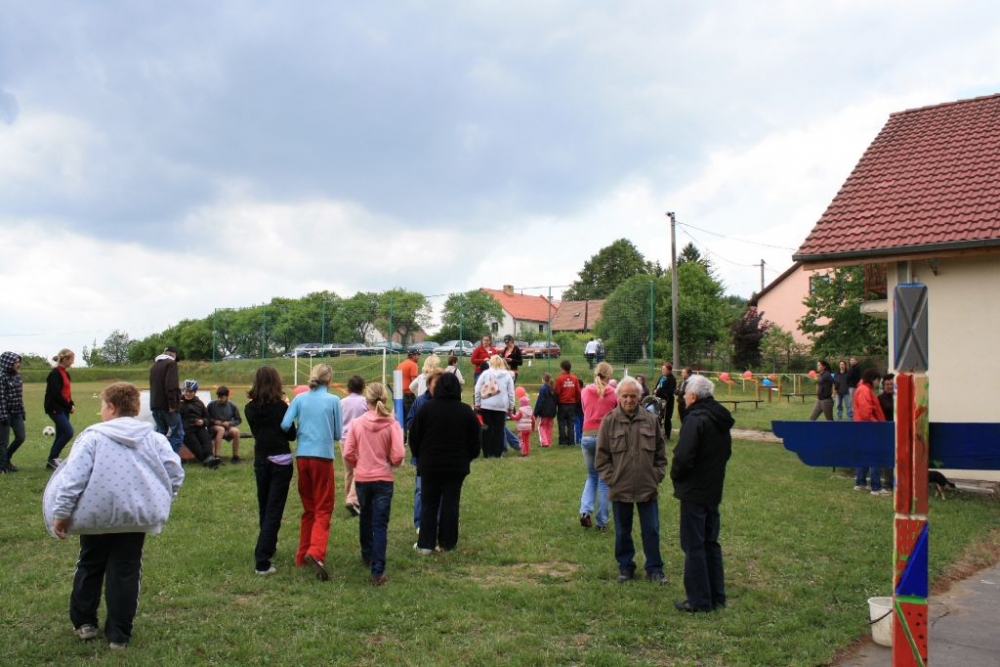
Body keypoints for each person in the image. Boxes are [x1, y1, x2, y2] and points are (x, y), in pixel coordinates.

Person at [43, 381, 184, 650]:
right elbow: (175, 472)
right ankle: (119, 634)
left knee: (90, 565)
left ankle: (84, 622)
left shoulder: (92, 438)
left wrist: (61, 513)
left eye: (102, 406)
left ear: (110, 407)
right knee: (126, 571)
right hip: (134, 517)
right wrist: (163, 496)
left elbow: (73, 479)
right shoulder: (154, 438)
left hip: (96, 517)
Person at [670, 374, 734, 613]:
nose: (684, 398)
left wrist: (677, 476)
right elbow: (726, 452)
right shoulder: (719, 418)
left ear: (694, 396)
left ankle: (698, 599)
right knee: (710, 543)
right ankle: (716, 595)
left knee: (694, 545)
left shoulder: (696, 419)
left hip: (695, 490)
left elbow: (683, 456)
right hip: (712, 487)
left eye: (685, 394)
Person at [595, 377, 667, 584]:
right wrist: (612, 479)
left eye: (633, 396)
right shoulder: (609, 421)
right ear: (618, 397)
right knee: (622, 531)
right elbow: (601, 458)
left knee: (651, 530)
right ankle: (625, 567)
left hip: (647, 486)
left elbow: (661, 455)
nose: (629, 400)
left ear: (640, 397)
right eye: (625, 396)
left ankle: (654, 569)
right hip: (620, 487)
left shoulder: (651, 420)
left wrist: (656, 476)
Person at [281, 364, 343, 581]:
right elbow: (338, 433)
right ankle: (316, 552)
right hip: (322, 457)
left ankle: (301, 555)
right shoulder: (333, 400)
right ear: (329, 380)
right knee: (324, 506)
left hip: (303, 456)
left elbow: (285, 424)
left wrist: (302, 432)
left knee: (309, 507)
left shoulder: (300, 399)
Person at [409, 372, 481, 554]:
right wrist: (468, 457)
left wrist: (419, 456)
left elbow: (414, 437)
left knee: (429, 503)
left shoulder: (425, 409)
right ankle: (447, 543)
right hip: (456, 466)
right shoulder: (466, 411)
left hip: (429, 464)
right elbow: (475, 440)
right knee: (451, 502)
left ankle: (426, 544)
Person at [342, 382, 405, 586]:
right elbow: (399, 453)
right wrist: (391, 463)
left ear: (366, 401)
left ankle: (367, 554)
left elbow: (348, 452)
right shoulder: (392, 424)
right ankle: (377, 570)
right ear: (384, 399)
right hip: (383, 478)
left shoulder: (357, 424)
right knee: (380, 524)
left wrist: (358, 464)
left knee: (365, 517)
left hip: (363, 478)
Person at [244, 366, 297, 576]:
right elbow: (291, 434)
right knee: (274, 509)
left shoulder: (249, 408)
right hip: (280, 462)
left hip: (261, 460)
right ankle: (262, 560)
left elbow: (257, 432)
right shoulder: (281, 408)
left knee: (265, 506)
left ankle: (269, 545)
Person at [579, 362, 617, 532]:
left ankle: (585, 511)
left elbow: (584, 410)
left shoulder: (585, 391)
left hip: (587, 435)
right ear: (609, 376)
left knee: (592, 476)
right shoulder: (613, 393)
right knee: (604, 480)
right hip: (605, 437)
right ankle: (601, 521)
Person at [406, 368, 445, 534]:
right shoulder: (420, 401)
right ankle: (420, 523)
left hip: (442, 454)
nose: (438, 386)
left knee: (441, 490)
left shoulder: (447, 402)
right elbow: (410, 422)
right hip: (423, 454)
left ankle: (438, 521)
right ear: (429, 384)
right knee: (421, 489)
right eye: (436, 383)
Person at [853, 367, 889, 496]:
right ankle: (876, 487)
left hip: (864, 428)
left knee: (865, 455)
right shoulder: (864, 390)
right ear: (873, 379)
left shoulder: (863, 389)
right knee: (874, 456)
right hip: (869, 428)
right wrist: (877, 425)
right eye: (878, 380)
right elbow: (866, 413)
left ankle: (861, 483)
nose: (879, 383)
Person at [474, 355, 516, 458]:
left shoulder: (485, 373)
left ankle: (487, 453)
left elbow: (477, 389)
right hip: (501, 405)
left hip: (486, 405)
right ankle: (497, 453)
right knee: (499, 430)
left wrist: (477, 403)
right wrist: (511, 406)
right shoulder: (507, 375)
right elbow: (511, 392)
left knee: (487, 429)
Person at [177, 380, 223, 468]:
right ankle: (208, 462)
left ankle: (210, 457)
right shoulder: (178, 402)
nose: (188, 394)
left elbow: (208, 418)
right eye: (186, 391)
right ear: (183, 391)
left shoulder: (199, 403)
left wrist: (203, 421)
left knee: (206, 440)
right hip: (186, 430)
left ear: (195, 392)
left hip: (199, 427)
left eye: (190, 392)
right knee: (196, 445)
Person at [340, 375, 368, 517]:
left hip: (344, 439)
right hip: (358, 439)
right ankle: (353, 500)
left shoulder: (341, 402)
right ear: (363, 387)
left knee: (349, 472)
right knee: (359, 470)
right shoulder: (365, 402)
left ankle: (348, 498)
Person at [44, 348, 76, 470]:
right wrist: (68, 406)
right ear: (65, 359)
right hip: (55, 408)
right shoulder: (55, 374)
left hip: (64, 408)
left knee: (61, 433)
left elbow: (67, 391)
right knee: (68, 432)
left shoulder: (65, 373)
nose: (73, 362)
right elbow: (56, 394)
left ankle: (52, 460)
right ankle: (52, 458)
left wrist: (71, 403)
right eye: (72, 359)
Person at [149, 346, 183, 454]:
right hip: (167, 405)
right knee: (178, 433)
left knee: (160, 432)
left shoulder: (154, 366)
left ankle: (155, 456)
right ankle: (171, 458)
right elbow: (171, 385)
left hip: (155, 404)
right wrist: (172, 404)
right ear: (173, 355)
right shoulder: (171, 364)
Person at [0, 351, 25, 473]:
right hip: (4, 413)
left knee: (21, 437)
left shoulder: (17, 376)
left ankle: (6, 459)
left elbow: (19, 396)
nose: (18, 364)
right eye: (15, 362)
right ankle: (3, 467)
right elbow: (1, 398)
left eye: (18, 362)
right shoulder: (1, 377)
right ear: (8, 363)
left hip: (16, 412)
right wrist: (3, 416)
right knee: (3, 442)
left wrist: (22, 411)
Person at [207, 386, 243, 462]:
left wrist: (229, 423)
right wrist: (214, 421)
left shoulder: (232, 406)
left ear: (227, 396)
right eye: (218, 397)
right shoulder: (211, 405)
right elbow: (206, 418)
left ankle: (235, 456)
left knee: (236, 431)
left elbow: (238, 420)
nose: (219, 399)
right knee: (221, 429)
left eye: (221, 397)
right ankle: (216, 456)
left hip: (227, 427)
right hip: (213, 428)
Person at [555, 360, 582, 446]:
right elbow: (578, 392)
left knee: (561, 422)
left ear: (562, 368)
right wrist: (576, 400)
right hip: (572, 404)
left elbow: (557, 392)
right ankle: (571, 441)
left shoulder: (559, 378)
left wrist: (557, 401)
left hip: (562, 404)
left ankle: (563, 441)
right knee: (571, 423)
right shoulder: (574, 378)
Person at [533, 372, 557, 447]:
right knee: (549, 427)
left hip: (544, 412)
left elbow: (540, 401)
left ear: (543, 379)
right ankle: (549, 442)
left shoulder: (543, 388)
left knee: (542, 427)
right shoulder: (553, 388)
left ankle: (544, 442)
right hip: (552, 412)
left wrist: (535, 413)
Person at [654, 363, 677, 441]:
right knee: (657, 417)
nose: (663, 370)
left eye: (664, 369)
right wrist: (655, 391)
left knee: (667, 418)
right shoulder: (662, 377)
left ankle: (667, 435)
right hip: (658, 399)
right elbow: (657, 386)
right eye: (662, 369)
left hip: (667, 401)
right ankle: (657, 434)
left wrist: (660, 391)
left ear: (669, 370)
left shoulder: (672, 379)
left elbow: (671, 391)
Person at [397, 349, 420, 424]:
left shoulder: (400, 365)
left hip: (400, 394)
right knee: (412, 416)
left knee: (403, 417)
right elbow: (414, 381)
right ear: (413, 356)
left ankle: (403, 431)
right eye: (417, 355)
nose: (418, 357)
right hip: (410, 394)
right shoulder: (413, 365)